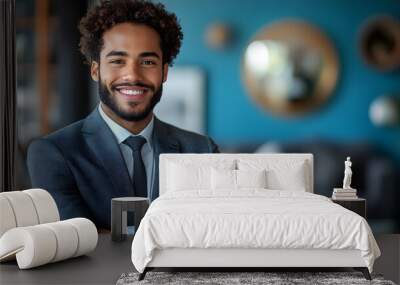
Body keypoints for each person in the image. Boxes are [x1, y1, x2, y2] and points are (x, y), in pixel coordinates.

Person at [27, 0, 219, 229]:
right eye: (118, 61)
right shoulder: (53, 154)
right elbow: (78, 240)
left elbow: (210, 231)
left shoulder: (201, 151)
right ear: (96, 70)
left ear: (164, 72)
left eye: (147, 62)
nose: (132, 75)